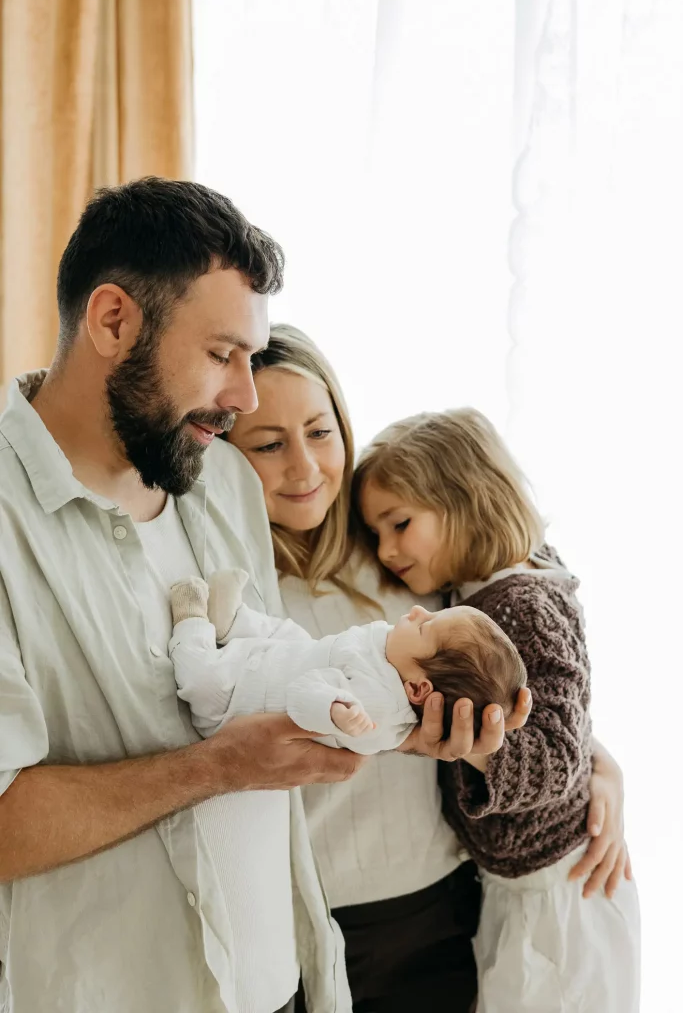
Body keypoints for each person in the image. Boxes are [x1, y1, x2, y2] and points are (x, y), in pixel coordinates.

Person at [0, 177, 376, 1013]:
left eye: (251, 355)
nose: (243, 396)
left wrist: (406, 699)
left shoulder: (220, 479)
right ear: (112, 321)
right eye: (221, 355)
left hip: (283, 988)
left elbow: (284, 667)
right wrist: (218, 768)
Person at [226, 324, 632, 1013]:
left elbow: (516, 685)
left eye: (321, 432)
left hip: (436, 912)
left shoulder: (413, 561)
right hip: (293, 917)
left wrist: (597, 763)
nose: (304, 467)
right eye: (267, 445)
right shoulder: (232, 583)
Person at [353, 407, 641, 1013]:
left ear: (467, 500)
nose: (387, 550)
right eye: (377, 533)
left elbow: (560, 753)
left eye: (400, 523)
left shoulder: (521, 603)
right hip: (517, 890)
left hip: (560, 897)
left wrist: (483, 748)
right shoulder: (475, 595)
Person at [168, 569, 526, 750]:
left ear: (418, 687)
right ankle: (232, 621)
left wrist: (335, 709)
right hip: (289, 659)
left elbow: (303, 694)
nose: (418, 610)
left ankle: (192, 620)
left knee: (203, 682)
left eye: (425, 626)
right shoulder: (393, 656)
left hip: (233, 702)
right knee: (290, 634)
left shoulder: (376, 709)